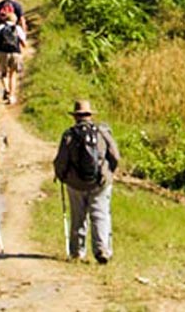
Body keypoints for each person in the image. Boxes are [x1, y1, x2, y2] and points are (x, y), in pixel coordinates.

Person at [53, 100, 120, 265]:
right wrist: (109, 172)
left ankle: (77, 252)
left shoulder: (69, 135)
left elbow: (61, 161)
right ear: (90, 115)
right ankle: (102, 250)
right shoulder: (102, 132)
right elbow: (115, 156)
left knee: (78, 217)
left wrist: (61, 175)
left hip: (76, 183)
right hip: (100, 182)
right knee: (100, 215)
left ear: (75, 116)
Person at [0, 13, 27, 104]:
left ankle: (7, 89)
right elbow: (24, 44)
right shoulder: (18, 28)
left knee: (3, 74)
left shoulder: (1, 27)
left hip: (3, 52)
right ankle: (11, 96)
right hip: (15, 52)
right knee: (13, 75)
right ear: (15, 20)